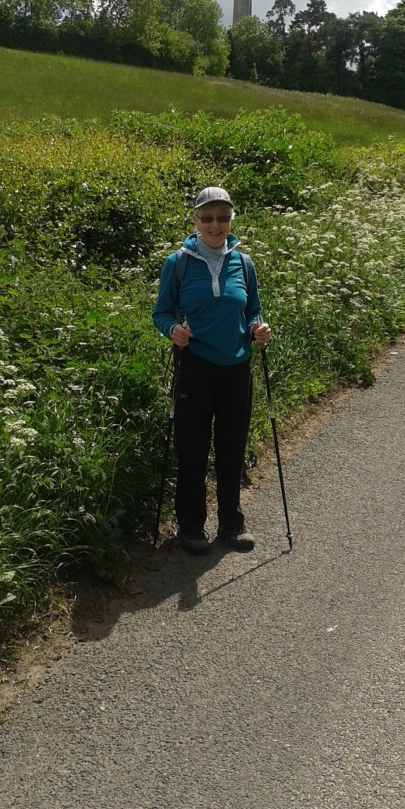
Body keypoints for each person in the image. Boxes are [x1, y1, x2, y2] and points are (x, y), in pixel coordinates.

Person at [152, 187, 272, 554]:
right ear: (195, 221)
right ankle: (191, 528)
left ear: (231, 220)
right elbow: (161, 313)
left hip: (237, 367)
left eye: (222, 217)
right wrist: (172, 330)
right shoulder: (179, 262)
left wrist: (259, 327)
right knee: (192, 447)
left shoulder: (244, 263)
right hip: (195, 367)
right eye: (207, 217)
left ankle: (232, 525)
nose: (215, 224)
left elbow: (253, 309)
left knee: (232, 447)